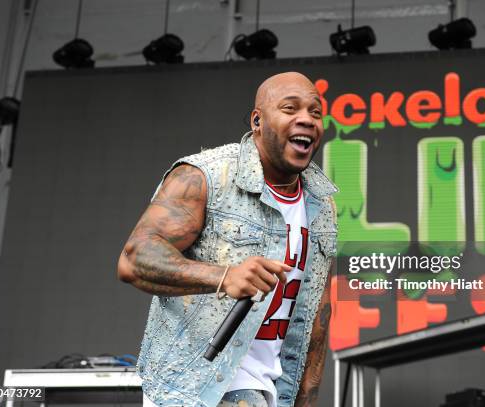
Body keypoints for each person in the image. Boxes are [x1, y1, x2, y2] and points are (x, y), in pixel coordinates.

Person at [117, 71, 338, 407]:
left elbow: (316, 320)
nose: (306, 120)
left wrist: (306, 400)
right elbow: (135, 259)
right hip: (198, 389)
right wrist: (224, 276)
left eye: (315, 112)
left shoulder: (321, 204)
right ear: (258, 121)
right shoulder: (207, 176)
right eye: (290, 109)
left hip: (272, 390)